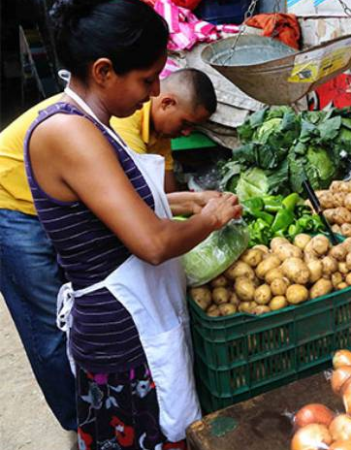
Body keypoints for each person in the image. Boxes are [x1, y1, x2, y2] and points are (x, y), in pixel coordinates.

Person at [24, 0, 241, 448]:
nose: (154, 89)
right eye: (146, 78)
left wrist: (188, 199)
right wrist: (210, 217)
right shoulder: (67, 132)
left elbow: (121, 207)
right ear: (103, 71)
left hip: (137, 325)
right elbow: (153, 242)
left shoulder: (95, 125)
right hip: (120, 339)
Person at [2, 67, 217, 194]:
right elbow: (141, 193)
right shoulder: (125, 116)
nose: (187, 132)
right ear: (167, 104)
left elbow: (164, 189)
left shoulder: (158, 130)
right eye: (185, 123)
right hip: (12, 193)